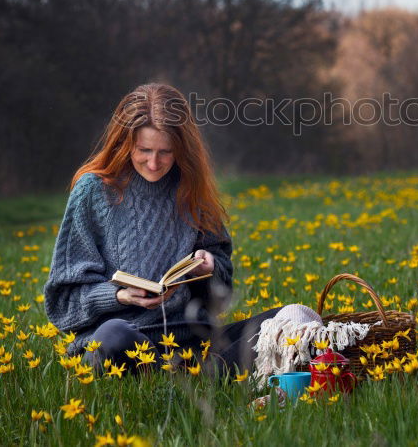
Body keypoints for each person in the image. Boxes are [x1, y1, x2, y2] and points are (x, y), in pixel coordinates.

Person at [43, 83, 281, 374]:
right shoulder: (93, 191)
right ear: (125, 142)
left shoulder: (193, 190)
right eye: (144, 150)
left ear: (182, 149)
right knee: (113, 336)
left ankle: (192, 375)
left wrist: (209, 270)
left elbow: (222, 292)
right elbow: (61, 304)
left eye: (165, 152)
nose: (154, 163)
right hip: (124, 343)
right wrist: (120, 295)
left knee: (293, 318)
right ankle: (201, 378)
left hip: (193, 343)